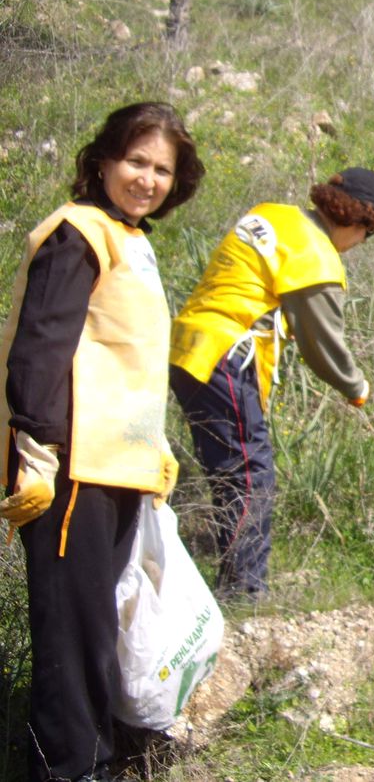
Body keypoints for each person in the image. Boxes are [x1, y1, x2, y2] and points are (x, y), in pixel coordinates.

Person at [0, 102, 205, 782]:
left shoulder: (131, 238)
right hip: (70, 468)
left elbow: (124, 358)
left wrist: (156, 446)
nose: (147, 178)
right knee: (68, 629)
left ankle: (99, 756)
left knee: (98, 626)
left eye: (162, 169)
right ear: (103, 161)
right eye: (136, 161)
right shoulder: (79, 233)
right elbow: (41, 347)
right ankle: (69, 768)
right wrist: (35, 448)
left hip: (118, 467)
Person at [168, 168, 374, 599]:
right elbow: (321, 342)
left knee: (229, 473)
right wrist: (356, 388)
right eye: (372, 233)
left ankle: (226, 585)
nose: (364, 244)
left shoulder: (274, 215)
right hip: (224, 359)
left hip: (188, 349)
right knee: (250, 476)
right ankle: (244, 594)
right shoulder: (315, 257)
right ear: (360, 220)